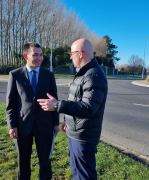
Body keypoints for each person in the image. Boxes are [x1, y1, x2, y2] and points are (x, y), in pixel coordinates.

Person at [37, 38, 108, 180]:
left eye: (72, 53)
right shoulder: (83, 73)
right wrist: (67, 122)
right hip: (76, 132)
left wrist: (57, 105)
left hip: (83, 137)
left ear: (81, 53)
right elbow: (75, 101)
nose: (70, 57)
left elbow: (88, 108)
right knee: (77, 173)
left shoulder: (93, 75)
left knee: (84, 176)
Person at [6, 42, 59, 180]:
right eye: (35, 55)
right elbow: (10, 104)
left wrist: (55, 123)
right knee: (23, 161)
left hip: (45, 124)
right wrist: (12, 125)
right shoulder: (15, 75)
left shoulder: (49, 75)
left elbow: (55, 101)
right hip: (23, 125)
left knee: (45, 162)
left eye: (41, 55)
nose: (40, 58)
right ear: (25, 56)